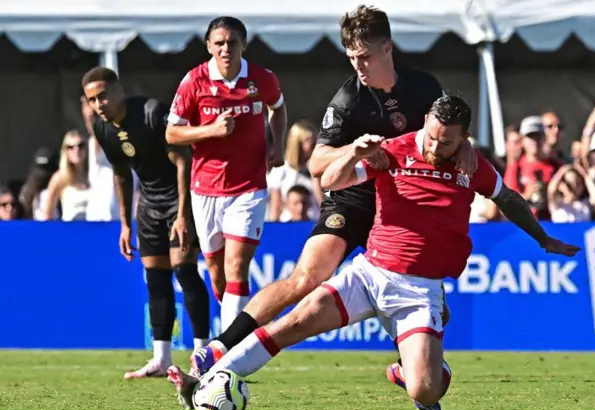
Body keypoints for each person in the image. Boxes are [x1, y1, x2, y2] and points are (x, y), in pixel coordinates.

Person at [169, 95, 580, 410]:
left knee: (426, 393)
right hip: (370, 274)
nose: (436, 146)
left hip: (419, 291)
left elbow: (506, 197)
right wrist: (355, 152)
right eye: (432, 136)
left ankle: (413, 371)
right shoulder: (394, 150)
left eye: (448, 141)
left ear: (464, 138)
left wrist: (542, 239)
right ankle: (209, 377)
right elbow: (330, 181)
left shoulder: (471, 165)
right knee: (296, 321)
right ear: (425, 125)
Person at [189, 4, 477, 379]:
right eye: (351, 57)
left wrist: (466, 145)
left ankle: (414, 369)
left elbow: (448, 129)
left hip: (403, 206)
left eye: (364, 56)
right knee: (307, 277)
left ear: (387, 48)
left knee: (421, 294)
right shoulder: (348, 99)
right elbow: (318, 164)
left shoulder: (424, 88)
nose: (358, 65)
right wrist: (354, 149)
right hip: (354, 196)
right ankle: (221, 346)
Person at [82, 67, 211, 379]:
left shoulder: (151, 112)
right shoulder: (103, 129)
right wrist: (125, 224)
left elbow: (184, 162)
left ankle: (204, 353)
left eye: (103, 95)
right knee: (155, 277)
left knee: (185, 270)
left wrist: (183, 215)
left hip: (181, 198)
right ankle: (161, 358)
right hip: (149, 205)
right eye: (92, 99)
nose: (99, 103)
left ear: (118, 90)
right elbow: (122, 175)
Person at [165, 16, 287, 332]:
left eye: (232, 42)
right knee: (217, 273)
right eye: (219, 43)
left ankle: (226, 354)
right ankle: (233, 334)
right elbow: (172, 134)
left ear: (243, 45)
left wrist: (279, 144)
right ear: (209, 46)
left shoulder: (262, 78)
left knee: (237, 267)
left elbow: (278, 107)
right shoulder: (194, 81)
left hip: (249, 187)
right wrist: (211, 130)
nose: (226, 48)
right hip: (205, 188)